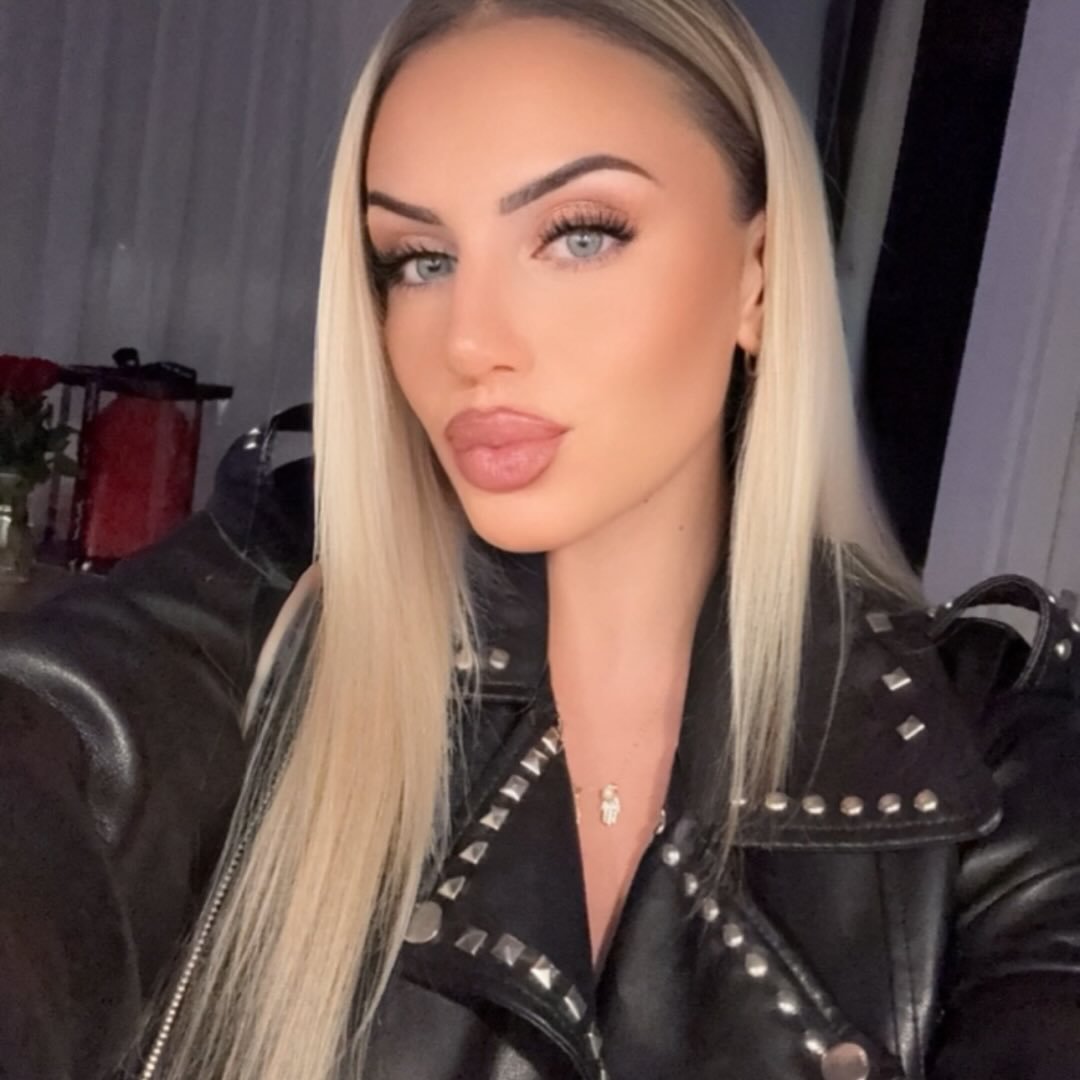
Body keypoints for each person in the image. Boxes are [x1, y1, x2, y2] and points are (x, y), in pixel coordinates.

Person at [1, 1, 1078, 1078]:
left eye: (579, 235)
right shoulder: (260, 607)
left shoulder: (985, 767)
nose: (470, 341)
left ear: (758, 276)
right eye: (420, 258)